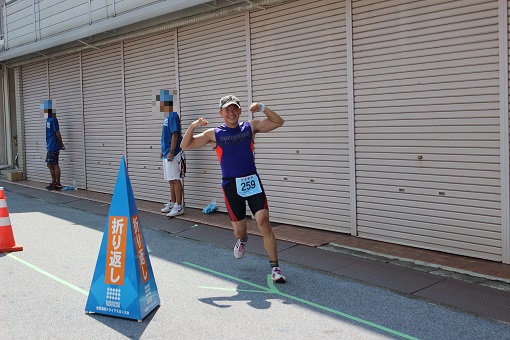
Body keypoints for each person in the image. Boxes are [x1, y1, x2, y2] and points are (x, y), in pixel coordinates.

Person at [180, 95, 286, 283]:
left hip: (251, 180)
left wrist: (262, 107)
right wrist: (193, 126)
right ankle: (243, 240)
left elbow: (278, 121)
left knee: (263, 221)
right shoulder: (214, 134)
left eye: (234, 108)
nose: (231, 112)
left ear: (239, 111)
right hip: (230, 185)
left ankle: (275, 268)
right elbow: (185, 145)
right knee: (239, 231)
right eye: (227, 109)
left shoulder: (249, 127)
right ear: (221, 113)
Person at [159, 90, 185, 217]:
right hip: (166, 152)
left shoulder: (173, 115)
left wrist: (171, 151)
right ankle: (172, 203)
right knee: (171, 180)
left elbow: (175, 134)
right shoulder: (166, 116)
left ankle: (179, 206)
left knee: (175, 179)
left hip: (173, 153)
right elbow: (166, 135)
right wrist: (162, 150)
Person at [44, 101, 65, 191]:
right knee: (49, 164)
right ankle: (53, 182)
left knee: (54, 164)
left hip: (54, 145)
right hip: (49, 145)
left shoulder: (53, 119)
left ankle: (58, 183)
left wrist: (61, 143)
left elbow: (57, 132)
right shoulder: (48, 120)